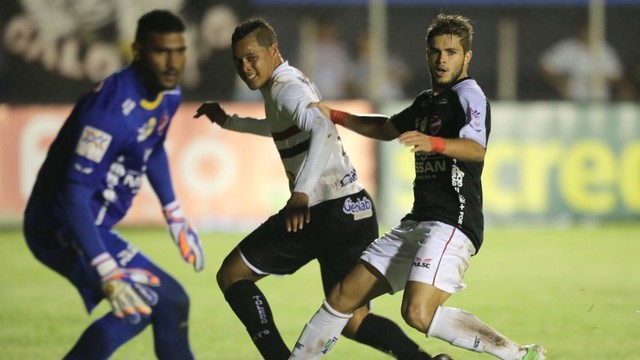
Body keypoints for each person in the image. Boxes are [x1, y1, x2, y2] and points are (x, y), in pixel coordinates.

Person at [289, 13, 546, 360]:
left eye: (452, 52)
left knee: (417, 313)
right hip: (417, 222)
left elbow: (476, 149)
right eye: (436, 51)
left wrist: (434, 143)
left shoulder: (469, 95)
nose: (442, 59)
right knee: (342, 298)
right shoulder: (427, 100)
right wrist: (335, 115)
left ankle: (519, 355)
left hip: (452, 223)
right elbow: (387, 128)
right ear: (427, 54)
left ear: (467, 56)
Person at [194, 18, 448, 360]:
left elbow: (323, 130)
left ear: (273, 51)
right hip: (354, 208)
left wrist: (301, 193)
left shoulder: (286, 89)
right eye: (239, 60)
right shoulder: (284, 84)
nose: (245, 67)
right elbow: (280, 128)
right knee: (354, 320)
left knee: (233, 274)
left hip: (319, 211)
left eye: (252, 57)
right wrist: (228, 121)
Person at [23, 10, 204, 360]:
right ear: (137, 50)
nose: (172, 62)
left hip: (91, 223)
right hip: (58, 225)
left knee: (174, 302)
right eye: (161, 51)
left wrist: (175, 215)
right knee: (135, 307)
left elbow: (151, 148)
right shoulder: (108, 112)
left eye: (179, 50)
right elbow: (75, 196)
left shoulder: (168, 94)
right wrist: (108, 272)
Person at [539, 23, 631, 101]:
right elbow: (545, 66)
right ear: (579, 32)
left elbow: (617, 77)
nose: (587, 34)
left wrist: (607, 81)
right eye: (585, 31)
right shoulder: (568, 47)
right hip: (572, 99)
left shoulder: (605, 50)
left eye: (591, 32)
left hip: (600, 101)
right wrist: (558, 81)